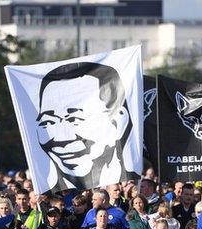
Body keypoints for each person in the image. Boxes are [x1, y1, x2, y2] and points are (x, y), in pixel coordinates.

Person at [36, 62, 134, 193]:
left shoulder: (137, 193)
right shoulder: (46, 200)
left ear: (119, 122)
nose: (61, 138)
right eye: (47, 122)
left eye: (75, 119)